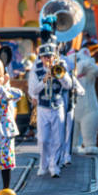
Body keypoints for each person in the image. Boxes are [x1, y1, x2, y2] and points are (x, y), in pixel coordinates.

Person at [28, 38, 72, 178]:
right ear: (40, 58)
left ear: (54, 57)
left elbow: (69, 85)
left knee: (58, 139)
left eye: (50, 56)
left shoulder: (61, 66)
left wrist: (60, 76)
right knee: (43, 139)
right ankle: (43, 165)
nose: (48, 59)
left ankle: (55, 167)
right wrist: (45, 79)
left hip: (58, 106)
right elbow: (34, 90)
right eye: (45, 57)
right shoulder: (36, 70)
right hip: (43, 108)